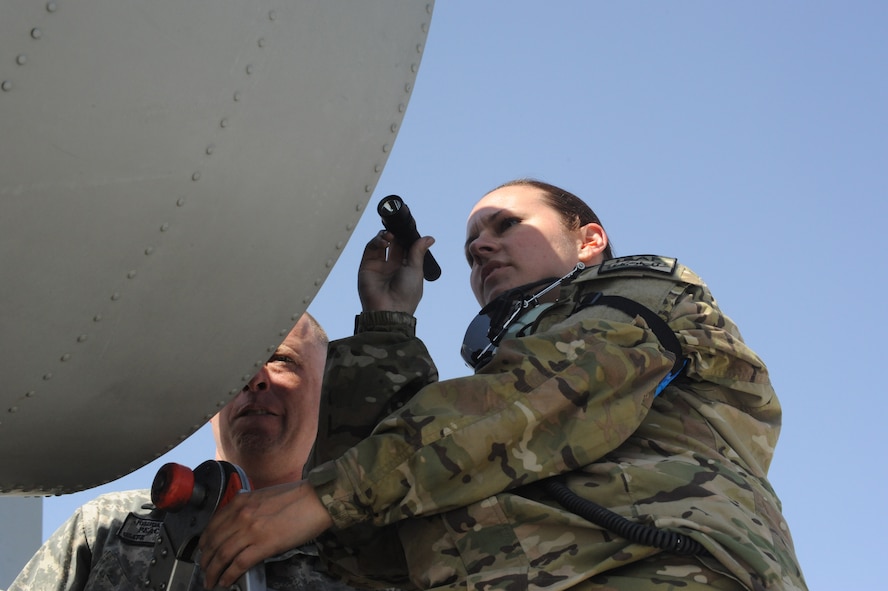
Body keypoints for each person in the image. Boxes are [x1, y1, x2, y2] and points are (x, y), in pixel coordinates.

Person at [197, 180, 807, 591]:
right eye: (469, 248)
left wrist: (321, 497)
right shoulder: (490, 404)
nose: (482, 247)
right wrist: (388, 320)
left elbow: (535, 398)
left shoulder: (649, 300)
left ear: (588, 240)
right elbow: (387, 530)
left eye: (507, 224)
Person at [8, 313, 365, 591]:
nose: (254, 377)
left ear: (329, 394)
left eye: (281, 360)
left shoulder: (369, 560)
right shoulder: (105, 528)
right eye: (238, 364)